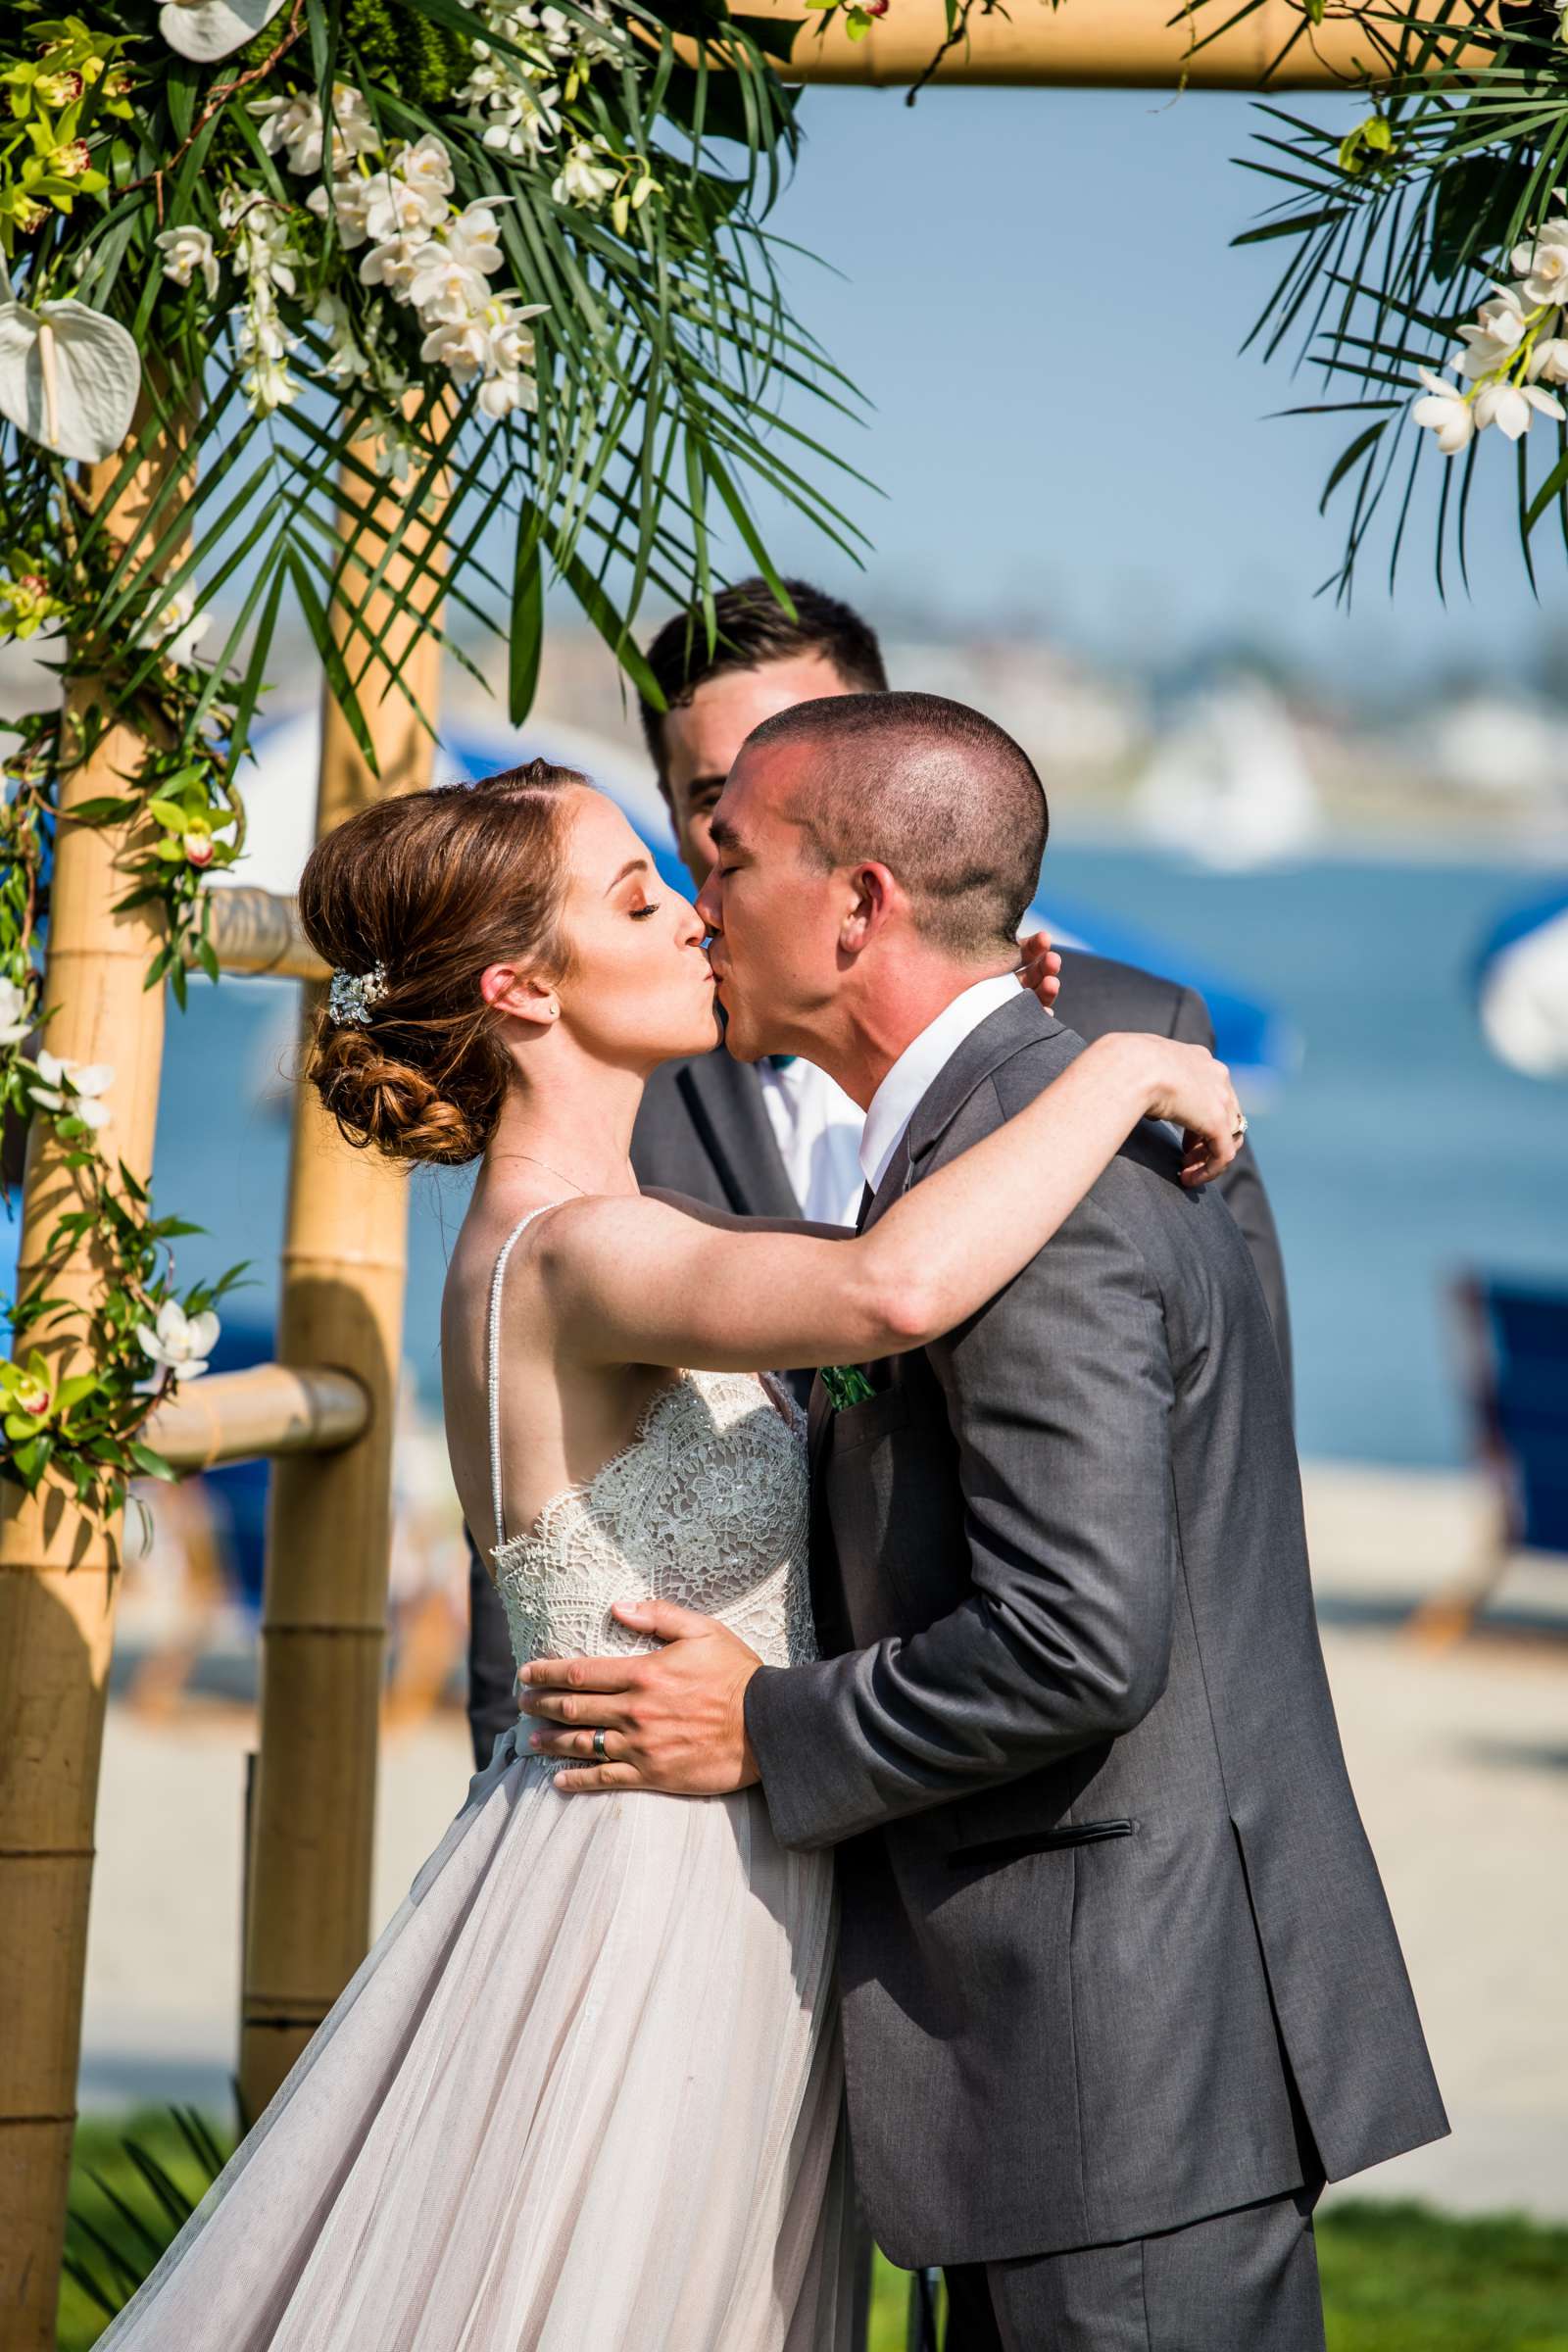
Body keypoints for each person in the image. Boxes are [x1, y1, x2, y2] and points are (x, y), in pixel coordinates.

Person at [91, 759, 1245, 2352]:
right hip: (654, 1891)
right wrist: (1117, 1073)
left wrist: (976, 1036)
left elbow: (866, 1239)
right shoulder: (574, 1251)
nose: (696, 916)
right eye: (640, 898)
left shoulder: (621, 1226)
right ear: (522, 989)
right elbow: (891, 1291)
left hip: (702, 1845)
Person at [517, 696, 1450, 2352]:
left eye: (725, 859)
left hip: (1123, 2059)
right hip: (1070, 2059)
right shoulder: (1000, 1144)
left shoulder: (1045, 1190)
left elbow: (1078, 1640)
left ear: (861, 902)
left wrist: (762, 1726)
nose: (700, 896)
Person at [466, 576, 1293, 1768]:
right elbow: (881, 1287)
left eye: (771, 793)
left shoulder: (1098, 1064)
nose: (701, 899)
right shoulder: (598, 1172)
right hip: (676, 1785)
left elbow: (1223, 1484)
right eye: (704, 810)